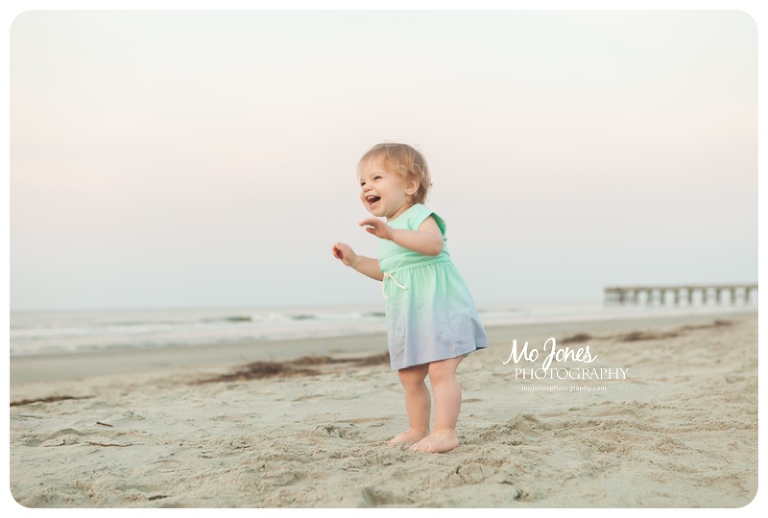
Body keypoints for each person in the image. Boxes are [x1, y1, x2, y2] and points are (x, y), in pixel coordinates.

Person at [332, 142, 488, 453]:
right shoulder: (388, 231)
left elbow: (433, 244)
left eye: (376, 178)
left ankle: (445, 432)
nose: (367, 187)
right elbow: (389, 271)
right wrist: (354, 261)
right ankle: (418, 428)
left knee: (440, 370)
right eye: (362, 182)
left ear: (410, 185)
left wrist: (392, 235)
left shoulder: (417, 216)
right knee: (410, 377)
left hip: (440, 306)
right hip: (411, 315)